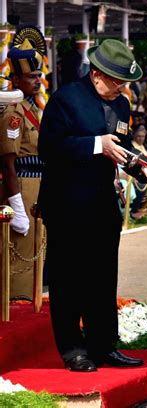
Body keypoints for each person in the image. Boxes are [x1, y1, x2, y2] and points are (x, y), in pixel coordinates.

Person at [38, 39, 147, 372]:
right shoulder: (65, 100)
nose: (121, 87)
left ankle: (103, 344)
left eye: (125, 82)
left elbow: (123, 149)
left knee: (102, 277)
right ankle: (73, 348)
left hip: (101, 204)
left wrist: (144, 168)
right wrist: (97, 145)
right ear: (96, 74)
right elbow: (49, 149)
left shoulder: (121, 105)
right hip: (67, 203)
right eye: (116, 81)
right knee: (68, 279)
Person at [0, 25, 46, 299]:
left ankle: (28, 299)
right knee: (21, 247)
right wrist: (15, 204)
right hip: (22, 184)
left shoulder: (30, 108)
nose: (38, 81)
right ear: (15, 80)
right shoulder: (13, 113)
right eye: (31, 77)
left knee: (35, 246)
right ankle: (16, 302)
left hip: (37, 183)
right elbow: (7, 161)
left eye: (39, 75)